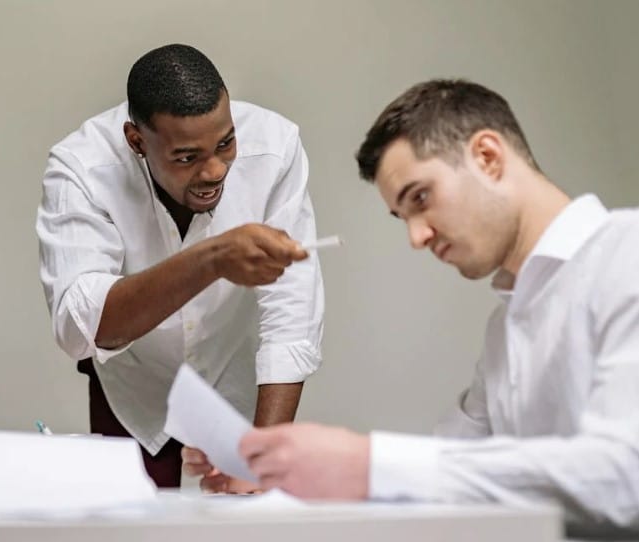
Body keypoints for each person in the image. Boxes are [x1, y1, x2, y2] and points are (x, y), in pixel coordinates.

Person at [219, 79, 638, 533]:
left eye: (420, 198)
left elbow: (623, 476)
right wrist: (285, 463)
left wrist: (365, 464)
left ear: (488, 157)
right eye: (404, 217)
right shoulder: (506, 327)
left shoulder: (627, 255)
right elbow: (454, 463)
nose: (417, 237)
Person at [36, 44, 325, 489]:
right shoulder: (82, 168)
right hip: (134, 386)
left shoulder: (275, 147)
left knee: (246, 511)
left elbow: (292, 313)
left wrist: (262, 460)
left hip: (235, 369)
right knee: (133, 518)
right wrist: (212, 258)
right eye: (187, 157)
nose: (214, 171)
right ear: (136, 141)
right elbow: (78, 327)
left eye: (226, 144)